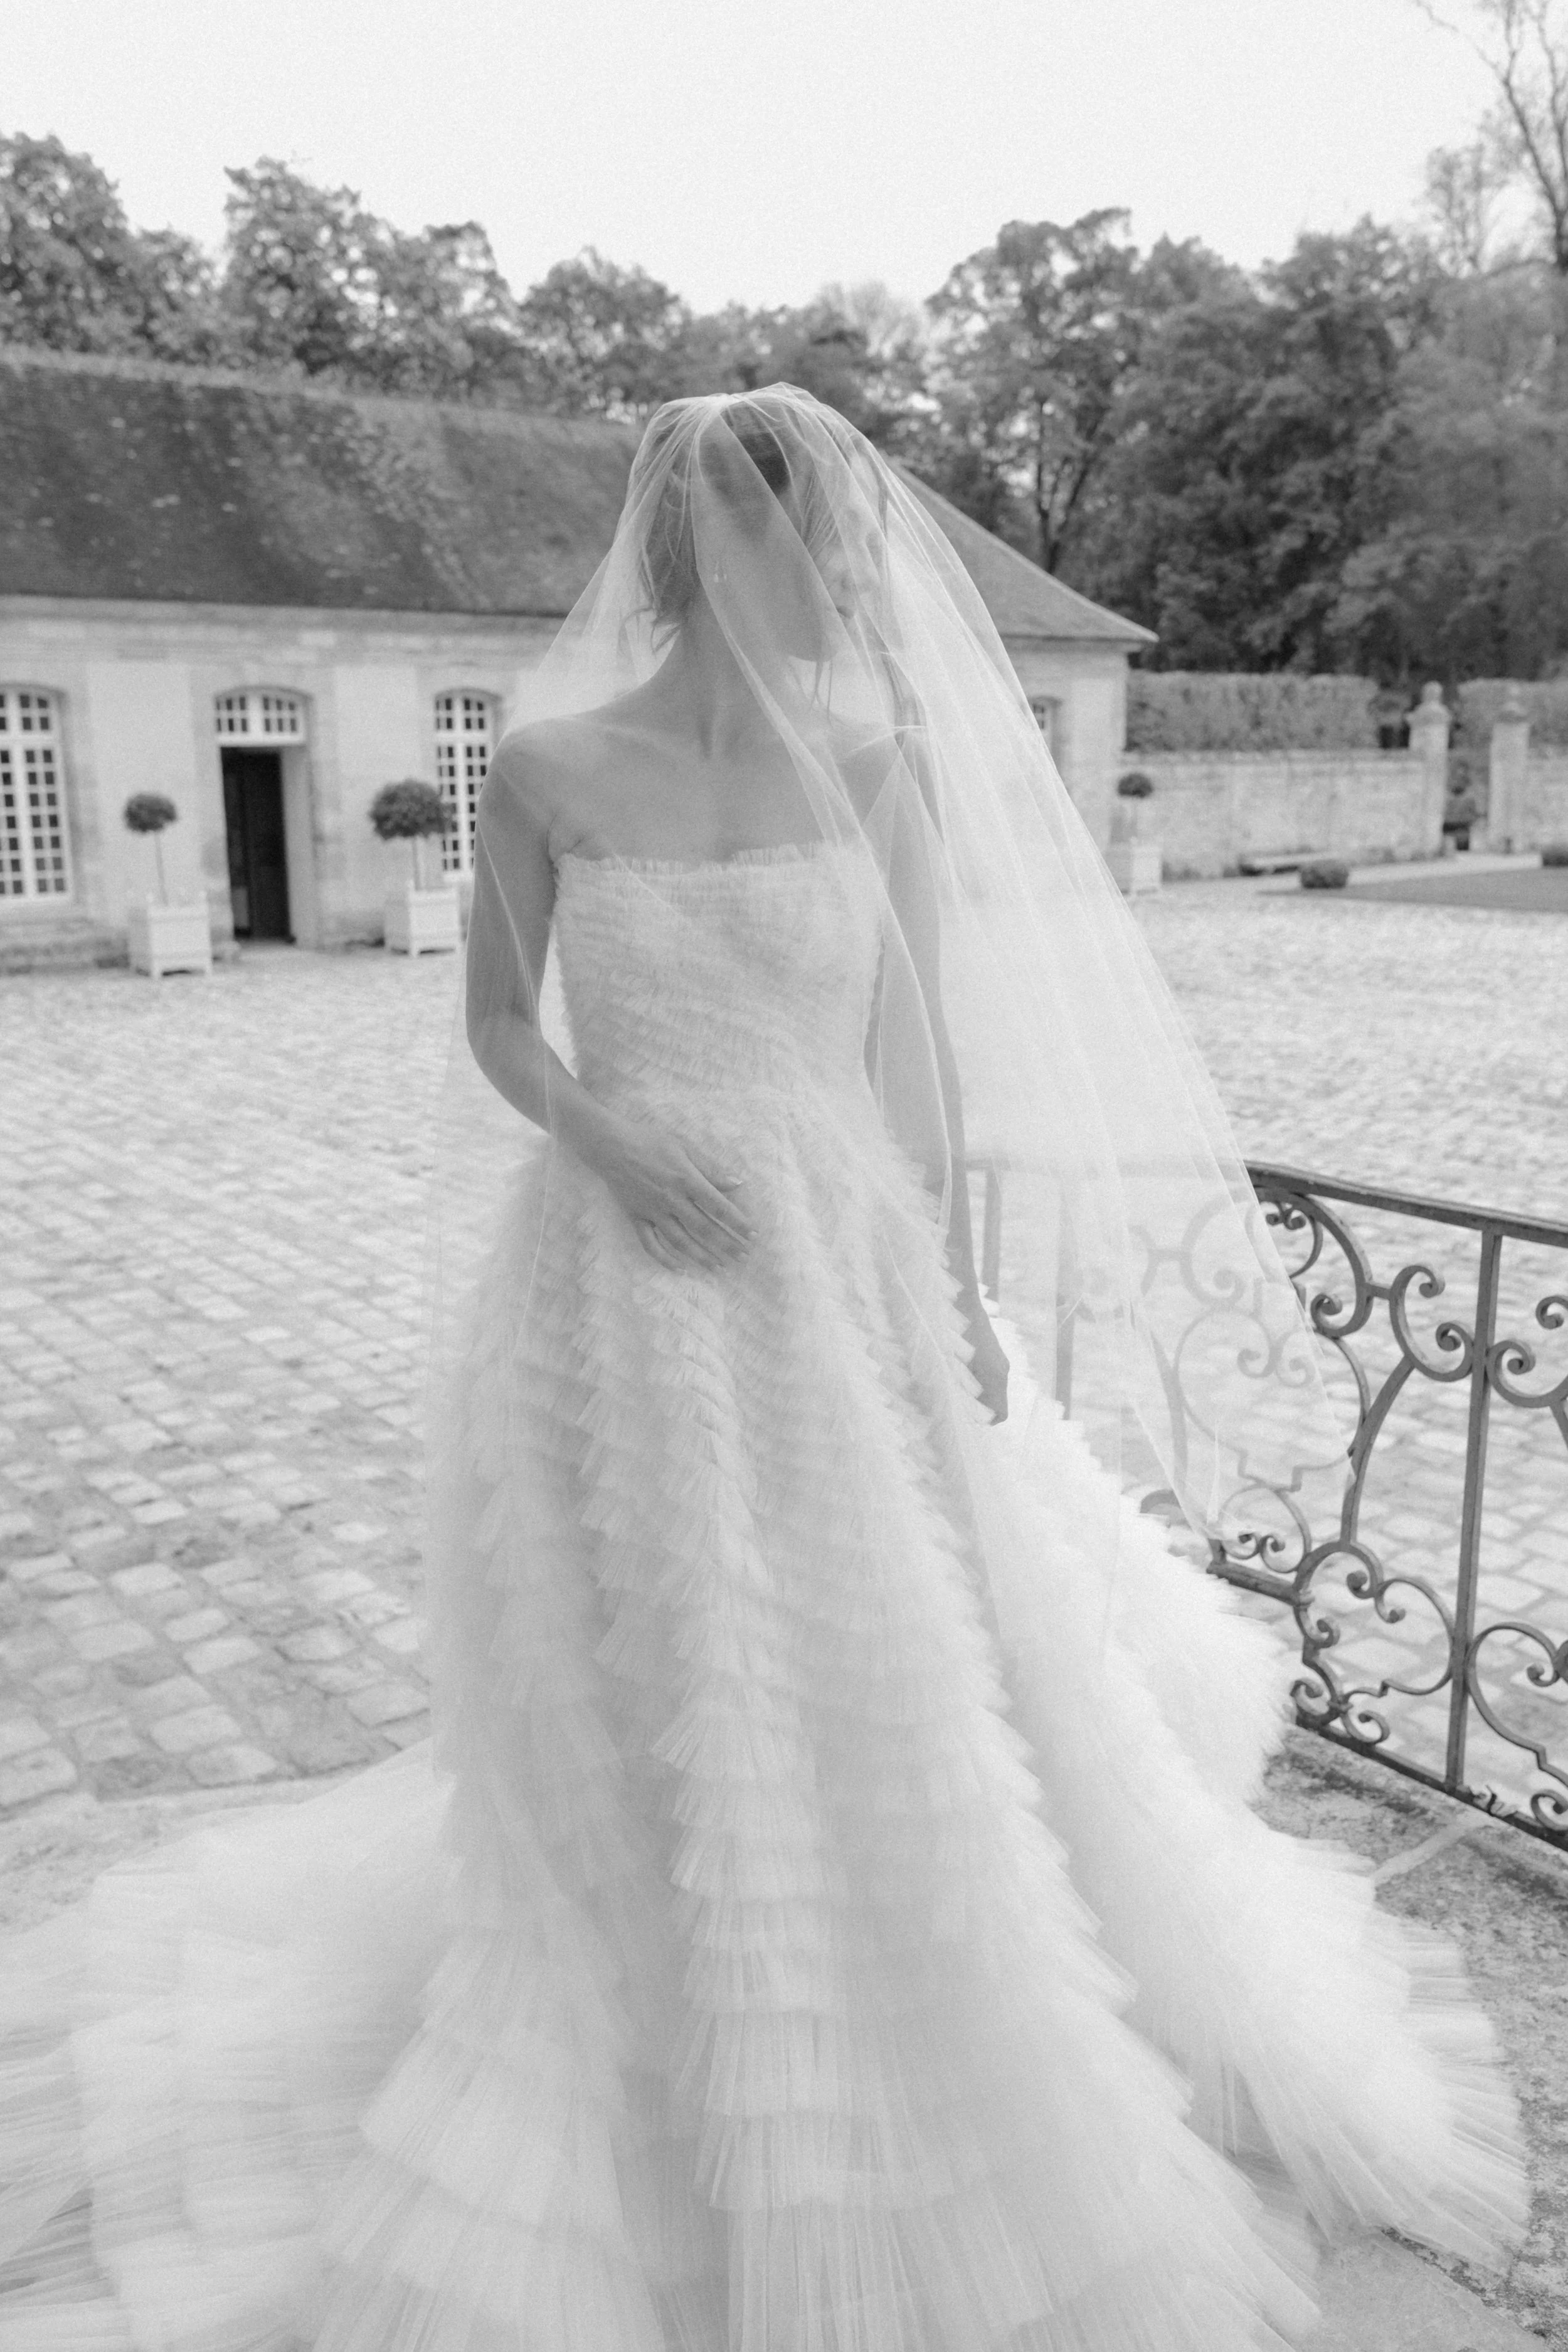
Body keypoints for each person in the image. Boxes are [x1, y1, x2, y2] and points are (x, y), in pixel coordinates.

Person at [0, 388, 1527, 2351]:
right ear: (698, 550)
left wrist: (956, 1282)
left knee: (888, 1640)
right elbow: (496, 1030)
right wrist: (611, 1137)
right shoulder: (550, 763)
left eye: (815, 539)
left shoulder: (871, 754)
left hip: (840, 1257)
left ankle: (907, 1985)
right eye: (783, 536)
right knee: (648, 1653)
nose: (814, 573)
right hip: (622, 1270)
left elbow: (916, 1053)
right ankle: (650, 2008)